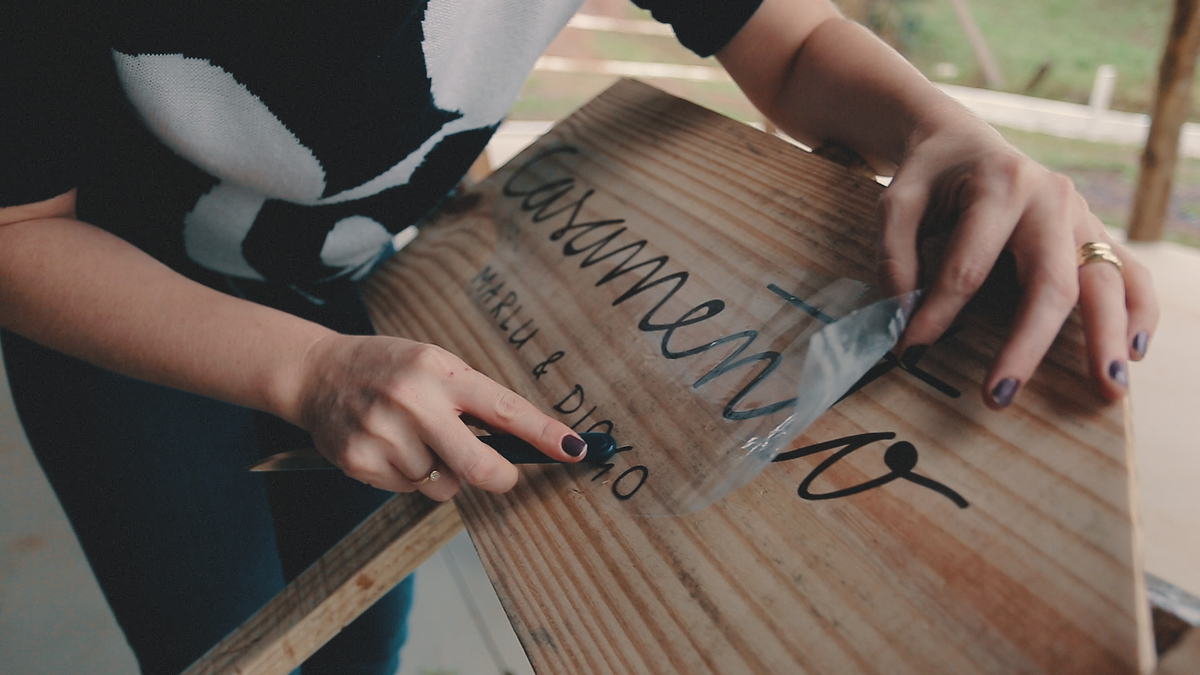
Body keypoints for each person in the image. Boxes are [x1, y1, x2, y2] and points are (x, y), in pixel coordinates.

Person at [0, 0, 1157, 673]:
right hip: (122, 320)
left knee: (357, 646)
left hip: (380, 295)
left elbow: (789, 41)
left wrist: (944, 128)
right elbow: (17, 230)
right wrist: (304, 368)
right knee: (220, 630)